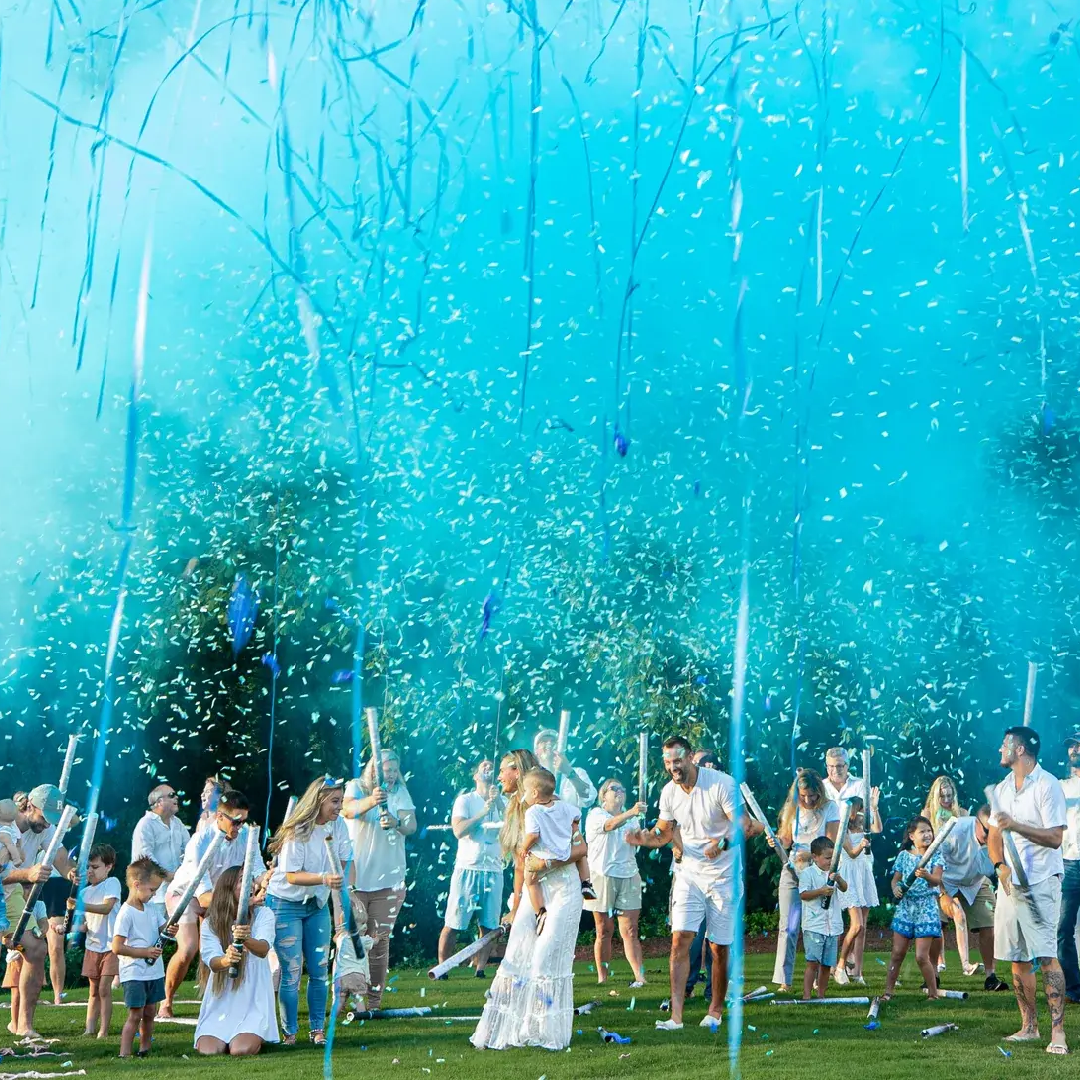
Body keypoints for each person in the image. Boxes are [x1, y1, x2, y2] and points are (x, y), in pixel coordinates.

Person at [470, 749, 586, 1051]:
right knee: (517, 954)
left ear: (518, 772)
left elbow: (580, 848)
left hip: (563, 888)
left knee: (545, 955)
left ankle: (543, 1030)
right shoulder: (518, 807)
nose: (498, 775)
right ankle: (509, 1028)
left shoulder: (558, 808)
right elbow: (521, 864)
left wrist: (547, 864)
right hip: (532, 891)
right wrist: (516, 904)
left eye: (503, 770)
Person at [629, 736, 741, 1033]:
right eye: (667, 762)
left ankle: (715, 1010)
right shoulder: (669, 792)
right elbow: (663, 833)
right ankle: (676, 1017)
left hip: (723, 876)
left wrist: (723, 842)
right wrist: (643, 838)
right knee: (680, 940)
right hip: (688, 874)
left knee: (718, 946)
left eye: (677, 760)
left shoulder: (721, 784)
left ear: (691, 757)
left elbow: (742, 827)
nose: (672, 767)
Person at [988, 726, 1068, 1054]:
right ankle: (1029, 1027)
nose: (999, 750)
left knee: (1046, 956)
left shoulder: (1048, 785)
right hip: (1010, 884)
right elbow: (994, 834)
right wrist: (999, 866)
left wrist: (1017, 825)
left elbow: (1054, 838)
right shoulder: (1004, 788)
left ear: (1020, 750)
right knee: (1017, 959)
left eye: (1004, 745)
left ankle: (1058, 1034)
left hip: (1041, 881)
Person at [160, 789, 265, 1018]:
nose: (239, 828)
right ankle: (166, 1001)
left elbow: (257, 870)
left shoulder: (247, 835)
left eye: (243, 822)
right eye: (235, 822)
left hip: (221, 895)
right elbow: (205, 895)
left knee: (221, 948)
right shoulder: (199, 842)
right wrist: (242, 901)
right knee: (188, 948)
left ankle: (218, 998)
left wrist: (265, 882)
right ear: (220, 817)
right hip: (186, 895)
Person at [266, 776, 351, 1046]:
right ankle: (289, 1033)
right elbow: (291, 875)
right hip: (285, 903)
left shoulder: (339, 826)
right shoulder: (298, 830)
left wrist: (351, 892)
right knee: (292, 970)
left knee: (319, 968)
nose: (339, 807)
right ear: (319, 800)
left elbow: (347, 862)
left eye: (341, 800)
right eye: (334, 801)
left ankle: (317, 1030)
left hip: (315, 904)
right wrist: (325, 878)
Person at [343, 748, 416, 1010]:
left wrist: (396, 822)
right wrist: (372, 801)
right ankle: (349, 997)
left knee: (379, 940)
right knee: (351, 939)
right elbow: (348, 810)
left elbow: (412, 825)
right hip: (356, 878)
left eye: (395, 770)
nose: (393, 775)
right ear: (374, 770)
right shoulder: (357, 787)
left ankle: (373, 1000)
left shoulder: (401, 793)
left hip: (390, 879)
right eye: (387, 770)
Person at [4, 784, 75, 1036]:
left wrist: (73, 873)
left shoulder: (46, 829)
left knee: (35, 949)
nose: (47, 825)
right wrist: (28, 873)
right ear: (30, 806)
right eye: (45, 818)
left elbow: (61, 859)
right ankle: (20, 1024)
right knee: (32, 950)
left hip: (13, 899)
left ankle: (23, 1025)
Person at [194, 866, 279, 1056]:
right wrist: (226, 960)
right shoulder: (211, 923)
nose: (250, 884)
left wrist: (245, 939)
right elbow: (212, 961)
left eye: (250, 879)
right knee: (209, 1051)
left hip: (253, 999)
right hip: (223, 999)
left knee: (240, 1050)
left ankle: (254, 1031)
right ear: (228, 888)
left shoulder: (263, 915)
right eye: (242, 880)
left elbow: (263, 949)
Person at [769, 769, 840, 991]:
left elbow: (831, 843)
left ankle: (819, 977)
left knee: (818, 926)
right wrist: (777, 840)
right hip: (793, 870)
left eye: (813, 796)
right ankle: (784, 980)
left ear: (819, 792)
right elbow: (787, 840)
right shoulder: (792, 810)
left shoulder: (830, 808)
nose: (808, 800)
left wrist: (811, 855)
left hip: (818, 870)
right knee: (788, 926)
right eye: (804, 796)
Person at [438, 760, 506, 979]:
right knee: (454, 923)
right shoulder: (465, 800)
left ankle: (480, 969)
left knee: (488, 925)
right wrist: (483, 812)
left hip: (494, 870)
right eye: (483, 766)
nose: (488, 768)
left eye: (491, 767)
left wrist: (498, 806)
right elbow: (458, 830)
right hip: (468, 868)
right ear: (475, 775)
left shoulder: (503, 801)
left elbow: (514, 828)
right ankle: (443, 968)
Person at [935, 805, 1008, 992]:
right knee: (935, 927)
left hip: (975, 882)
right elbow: (935, 861)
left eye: (994, 832)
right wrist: (943, 894)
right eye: (986, 831)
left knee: (989, 925)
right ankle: (932, 976)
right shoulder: (955, 830)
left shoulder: (1000, 838)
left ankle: (991, 977)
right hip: (945, 880)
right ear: (976, 822)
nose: (990, 837)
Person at [585, 778, 646, 987]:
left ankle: (640, 976)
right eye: (614, 789)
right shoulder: (596, 815)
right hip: (602, 875)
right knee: (604, 929)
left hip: (629, 874)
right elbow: (610, 825)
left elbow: (639, 839)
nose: (619, 791)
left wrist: (644, 836)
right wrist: (631, 812)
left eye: (622, 788)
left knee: (631, 929)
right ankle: (602, 977)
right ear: (604, 796)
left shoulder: (632, 819)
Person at [521, 767, 595, 933]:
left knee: (530, 880)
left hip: (545, 855)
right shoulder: (563, 806)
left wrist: (523, 848)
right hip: (566, 850)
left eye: (525, 790)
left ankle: (540, 911)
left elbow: (533, 835)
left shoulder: (532, 811)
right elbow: (577, 816)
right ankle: (586, 883)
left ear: (534, 793)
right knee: (581, 856)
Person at [112, 856, 171, 1058]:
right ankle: (124, 1052)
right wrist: (144, 952)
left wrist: (171, 929)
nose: (154, 895)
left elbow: (164, 929)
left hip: (154, 971)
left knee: (149, 1013)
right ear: (137, 885)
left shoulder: (152, 909)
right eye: (152, 890)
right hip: (135, 972)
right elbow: (117, 947)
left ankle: (144, 1049)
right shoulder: (126, 913)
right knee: (135, 1014)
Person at [882, 817, 944, 1001]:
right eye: (922, 831)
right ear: (911, 836)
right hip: (906, 907)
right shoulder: (903, 856)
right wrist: (896, 888)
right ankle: (888, 992)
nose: (927, 835)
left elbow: (937, 880)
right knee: (897, 953)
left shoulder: (936, 855)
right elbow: (895, 879)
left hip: (926, 907)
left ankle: (933, 994)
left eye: (929, 831)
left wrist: (926, 876)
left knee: (921, 956)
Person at [921, 775, 976, 976]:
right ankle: (940, 962)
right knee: (938, 919)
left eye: (949, 795)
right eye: (942, 795)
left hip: (957, 872)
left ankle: (965, 964)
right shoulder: (927, 814)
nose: (946, 799)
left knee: (958, 915)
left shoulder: (962, 814)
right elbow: (924, 843)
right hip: (935, 872)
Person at [74, 844, 121, 1039]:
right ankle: (89, 1029)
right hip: (92, 946)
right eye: (88, 867)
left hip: (111, 945)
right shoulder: (84, 892)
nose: (89, 871)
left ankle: (103, 1030)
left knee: (104, 988)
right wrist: (72, 928)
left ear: (108, 867)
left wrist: (81, 905)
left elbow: (106, 908)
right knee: (93, 990)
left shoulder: (112, 883)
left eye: (95, 867)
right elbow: (84, 924)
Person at [683, 750, 718, 1003]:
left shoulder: (724, 790)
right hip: (690, 874)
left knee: (717, 939)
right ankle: (686, 985)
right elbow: (669, 827)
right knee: (692, 936)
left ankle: (713, 991)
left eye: (710, 764)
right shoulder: (679, 793)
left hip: (719, 876)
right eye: (701, 763)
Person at [835, 793, 881, 986]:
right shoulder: (842, 827)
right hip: (849, 874)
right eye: (859, 808)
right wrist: (862, 844)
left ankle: (858, 973)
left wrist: (874, 807)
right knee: (856, 925)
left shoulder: (863, 822)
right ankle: (840, 966)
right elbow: (852, 854)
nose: (861, 812)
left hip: (864, 872)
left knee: (863, 928)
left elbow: (877, 829)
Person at [798, 836, 847, 999]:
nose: (830, 861)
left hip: (833, 925)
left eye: (832, 858)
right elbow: (803, 894)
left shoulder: (834, 872)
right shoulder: (808, 873)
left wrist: (838, 878)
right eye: (827, 858)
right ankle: (806, 994)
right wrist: (821, 891)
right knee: (813, 962)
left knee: (827, 964)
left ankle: (821, 995)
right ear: (815, 857)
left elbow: (845, 888)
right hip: (814, 925)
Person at [131, 783, 190, 906]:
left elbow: (189, 850)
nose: (176, 798)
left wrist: (183, 874)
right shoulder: (145, 824)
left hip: (178, 893)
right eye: (171, 795)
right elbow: (145, 858)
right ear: (159, 802)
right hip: (153, 897)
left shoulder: (177, 823)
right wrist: (167, 875)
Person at [1057, 731, 1080, 1005]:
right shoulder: (1059, 786)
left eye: (1078, 744)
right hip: (1068, 863)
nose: (1074, 749)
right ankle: (1074, 987)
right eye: (1071, 745)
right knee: (1063, 928)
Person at [533, 728, 597, 810]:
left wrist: (568, 772)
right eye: (544, 741)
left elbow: (589, 798)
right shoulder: (530, 778)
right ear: (536, 751)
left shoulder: (577, 772)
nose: (549, 743)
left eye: (553, 741)